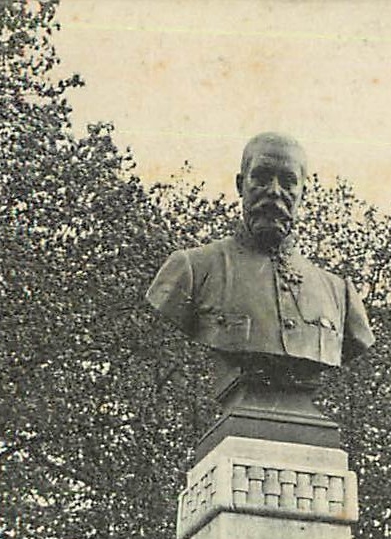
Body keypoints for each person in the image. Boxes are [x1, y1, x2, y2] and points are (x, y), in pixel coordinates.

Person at [146, 132, 373, 393]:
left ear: (303, 194)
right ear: (241, 185)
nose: (274, 191)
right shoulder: (192, 271)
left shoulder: (339, 294)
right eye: (262, 178)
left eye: (288, 182)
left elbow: (356, 342)